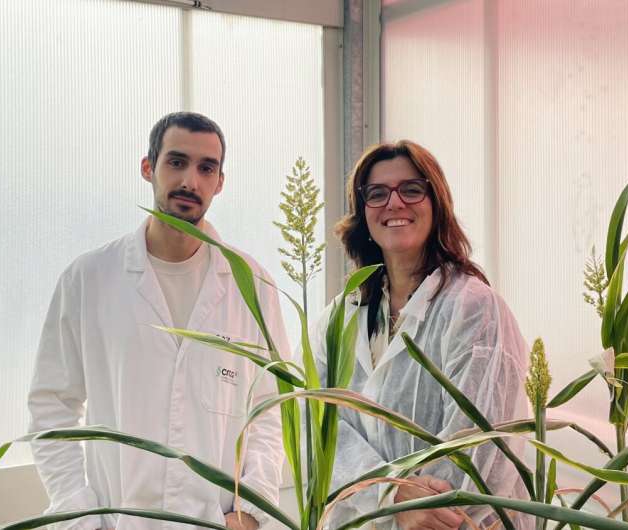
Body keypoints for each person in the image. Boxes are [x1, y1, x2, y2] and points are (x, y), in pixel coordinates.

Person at [28, 112, 288, 530]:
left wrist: (252, 512)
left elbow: (270, 411)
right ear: (148, 167)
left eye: (207, 168)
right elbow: (51, 406)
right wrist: (77, 511)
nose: (190, 180)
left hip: (217, 523)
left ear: (220, 181)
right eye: (176, 162)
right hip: (117, 521)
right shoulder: (89, 278)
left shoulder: (252, 285)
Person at [313, 140, 529, 530]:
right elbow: (319, 430)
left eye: (411, 189)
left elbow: (482, 446)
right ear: (362, 213)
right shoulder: (339, 318)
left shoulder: (474, 308)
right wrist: (391, 496)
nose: (394, 204)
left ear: (437, 203)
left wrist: (415, 511)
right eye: (377, 194)